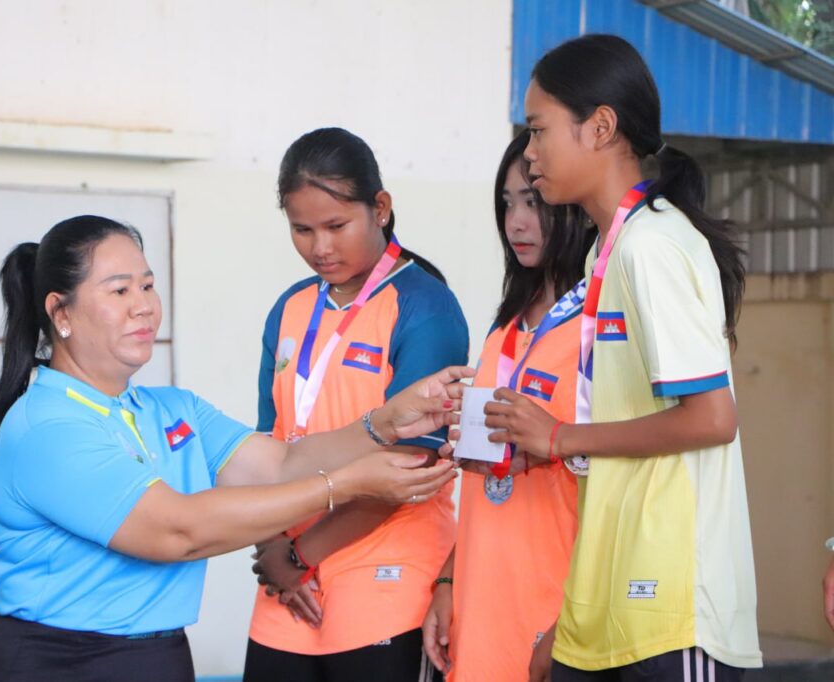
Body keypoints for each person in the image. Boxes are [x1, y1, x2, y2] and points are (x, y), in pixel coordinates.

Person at [0, 215, 470, 682]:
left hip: (157, 655)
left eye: (147, 285)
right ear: (61, 312)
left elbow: (282, 463)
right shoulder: (47, 425)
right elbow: (178, 531)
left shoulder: (172, 409)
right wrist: (345, 485)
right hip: (58, 662)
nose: (143, 305)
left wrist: (384, 423)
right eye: (120, 290)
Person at [481, 34, 760, 680]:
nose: (529, 151)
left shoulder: (651, 246)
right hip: (610, 604)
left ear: (601, 127)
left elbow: (712, 418)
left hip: (672, 610)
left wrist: (559, 436)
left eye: (538, 129)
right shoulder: (607, 251)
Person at [243, 127, 468, 682]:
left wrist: (298, 556)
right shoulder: (290, 307)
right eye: (302, 229)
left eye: (336, 226)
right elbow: (265, 446)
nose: (319, 247)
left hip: (386, 579)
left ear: (380, 209)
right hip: (286, 583)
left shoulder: (425, 306)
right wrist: (272, 545)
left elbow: (413, 465)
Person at [422, 130, 593, 681]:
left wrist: (571, 622)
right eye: (507, 203)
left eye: (534, 202)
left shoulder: (599, 329)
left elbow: (619, 486)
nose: (516, 222)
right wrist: (448, 580)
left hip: (556, 614)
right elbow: (481, 487)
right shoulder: (504, 329)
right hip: (479, 612)